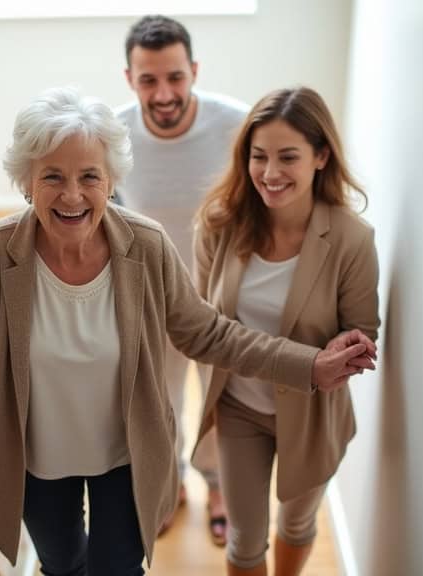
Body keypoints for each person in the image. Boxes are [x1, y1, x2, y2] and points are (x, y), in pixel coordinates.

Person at [0, 87, 376, 576]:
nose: (73, 195)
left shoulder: (146, 247)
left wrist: (308, 364)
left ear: (111, 180)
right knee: (62, 566)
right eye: (52, 177)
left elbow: (209, 334)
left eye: (89, 176)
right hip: (38, 458)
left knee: (119, 569)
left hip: (127, 454)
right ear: (26, 181)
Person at [192, 87, 381, 576]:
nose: (270, 173)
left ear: (321, 156)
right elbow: (202, 325)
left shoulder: (352, 239)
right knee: (245, 540)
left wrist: (348, 344)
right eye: (259, 157)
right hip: (239, 408)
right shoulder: (219, 224)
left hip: (315, 415)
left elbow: (363, 329)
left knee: (297, 526)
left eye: (288, 157)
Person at [116, 14, 250, 544]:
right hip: (152, 295)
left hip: (219, 296)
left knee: (220, 400)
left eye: (175, 77)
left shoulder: (237, 124)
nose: (164, 93)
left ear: (193, 70)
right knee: (158, 403)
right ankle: (168, 484)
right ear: (130, 79)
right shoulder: (114, 134)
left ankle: (218, 487)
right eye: (149, 80)